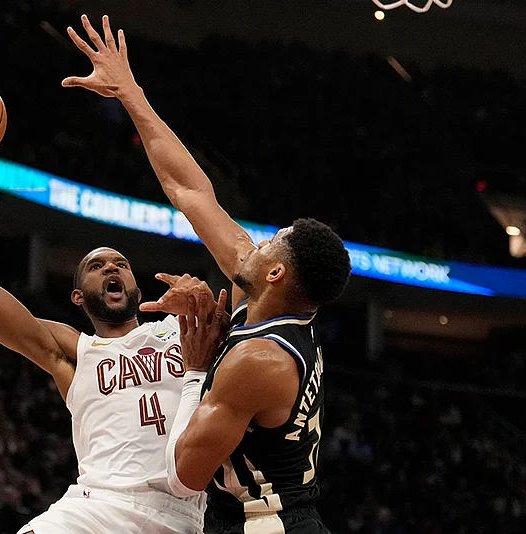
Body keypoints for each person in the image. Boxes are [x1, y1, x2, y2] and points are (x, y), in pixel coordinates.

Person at [63, 15, 353, 533]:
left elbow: (185, 474)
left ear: (276, 273)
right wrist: (130, 92)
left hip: (268, 524)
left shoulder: (258, 359)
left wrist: (196, 369)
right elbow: (190, 190)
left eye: (270, 241)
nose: (256, 241)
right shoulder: (266, 297)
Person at [0, 127, 228, 534]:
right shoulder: (72, 351)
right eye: (97, 267)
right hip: (96, 509)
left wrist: (203, 301)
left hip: (181, 516)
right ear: (79, 297)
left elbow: (243, 271)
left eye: (120, 263)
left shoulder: (184, 329)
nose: (112, 267)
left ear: (137, 286)